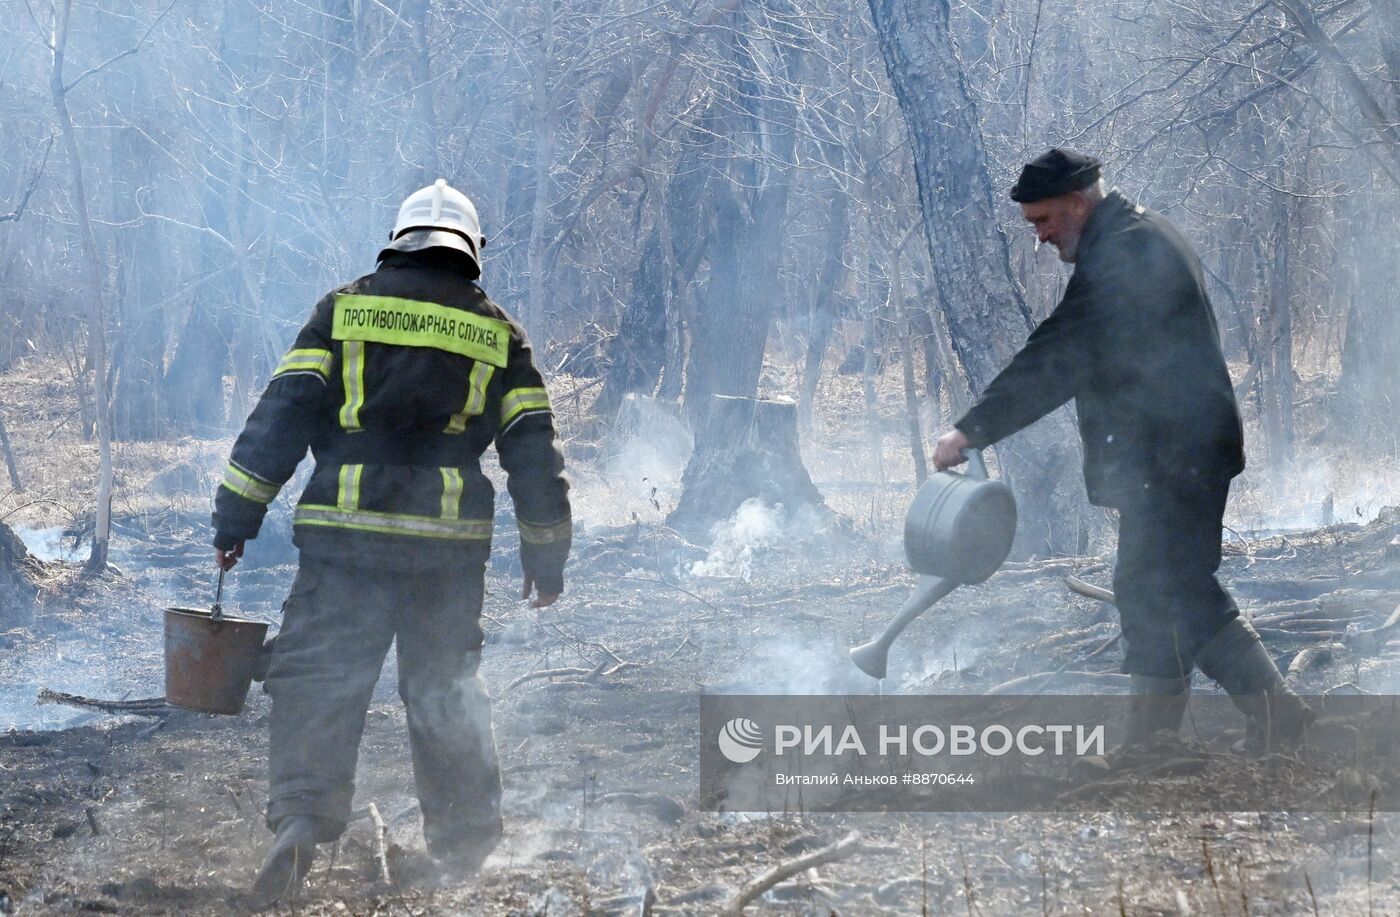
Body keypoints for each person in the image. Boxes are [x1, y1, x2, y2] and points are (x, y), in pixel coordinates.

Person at [212, 179, 571, 906]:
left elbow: (281, 414)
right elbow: (533, 450)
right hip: (444, 554)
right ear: (469, 249)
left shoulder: (343, 311)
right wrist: (546, 555)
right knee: (444, 690)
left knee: (316, 682)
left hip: (344, 548)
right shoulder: (496, 330)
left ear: (399, 238)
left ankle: (302, 824)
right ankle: (465, 845)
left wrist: (235, 516)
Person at [931, 148, 1309, 747]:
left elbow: (1060, 354)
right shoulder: (1133, 236)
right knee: (1157, 585)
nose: (1041, 237)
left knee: (1170, 585)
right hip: (1171, 451)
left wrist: (972, 429)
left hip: (1177, 452)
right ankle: (1162, 740)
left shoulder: (1127, 251)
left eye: (1044, 221)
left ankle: (1247, 725)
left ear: (1077, 203)